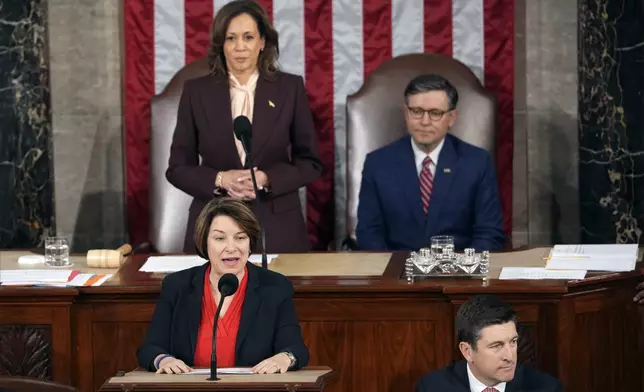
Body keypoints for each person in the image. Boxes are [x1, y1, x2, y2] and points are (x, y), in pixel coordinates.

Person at [166, 0, 322, 254]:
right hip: (214, 222)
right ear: (221, 45)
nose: (240, 47)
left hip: (276, 225)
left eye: (248, 37)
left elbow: (310, 164)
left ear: (262, 43)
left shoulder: (289, 89)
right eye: (231, 38)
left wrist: (266, 178)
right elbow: (177, 168)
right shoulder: (196, 92)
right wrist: (220, 179)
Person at [137, 197, 309, 374]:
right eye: (220, 238)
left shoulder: (275, 286)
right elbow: (150, 348)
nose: (231, 247)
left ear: (250, 243)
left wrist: (286, 357)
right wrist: (163, 360)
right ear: (205, 242)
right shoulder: (177, 286)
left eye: (240, 238)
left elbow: (296, 348)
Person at [356, 74, 505, 252]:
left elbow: (489, 233)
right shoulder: (378, 163)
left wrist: (461, 270)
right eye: (417, 111)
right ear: (406, 114)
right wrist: (394, 273)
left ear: (451, 118)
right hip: (396, 272)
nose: (425, 122)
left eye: (435, 113)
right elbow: (369, 233)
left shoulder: (477, 162)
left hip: (458, 273)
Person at [415, 295, 561, 392]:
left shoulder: (546, 388)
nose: (510, 357)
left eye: (513, 342)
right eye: (496, 346)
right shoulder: (431, 388)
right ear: (467, 351)